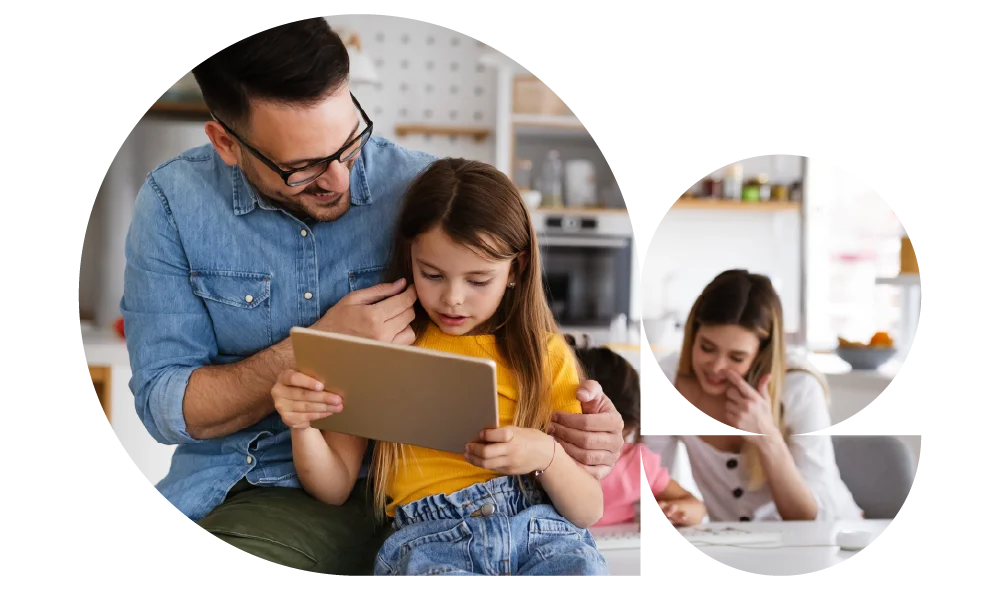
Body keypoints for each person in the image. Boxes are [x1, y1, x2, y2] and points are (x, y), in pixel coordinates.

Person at [120, 16, 624, 575]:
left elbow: (540, 378)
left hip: (491, 514)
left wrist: (594, 437)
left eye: (349, 142)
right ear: (226, 143)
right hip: (271, 487)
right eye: (303, 168)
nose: (338, 179)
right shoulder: (173, 202)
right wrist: (320, 351)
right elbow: (165, 406)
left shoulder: (428, 192)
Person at [271, 158, 609, 576]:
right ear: (409, 256)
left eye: (478, 281)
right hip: (432, 542)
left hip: (542, 533)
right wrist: (301, 424)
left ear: (516, 270)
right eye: (432, 274)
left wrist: (546, 454)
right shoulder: (385, 344)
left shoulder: (545, 354)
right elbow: (334, 486)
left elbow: (588, 509)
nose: (453, 298)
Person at [647, 270, 863, 522]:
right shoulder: (666, 381)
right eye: (707, 348)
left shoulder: (799, 387)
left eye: (737, 357)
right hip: (735, 540)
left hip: (831, 532)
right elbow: (648, 480)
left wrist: (767, 436)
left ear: (761, 354)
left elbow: (808, 517)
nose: (717, 366)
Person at [570, 342, 706, 528]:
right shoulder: (548, 460)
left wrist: (674, 509)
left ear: (629, 429)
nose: (594, 447)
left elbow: (696, 507)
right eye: (582, 431)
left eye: (610, 436)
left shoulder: (636, 463)